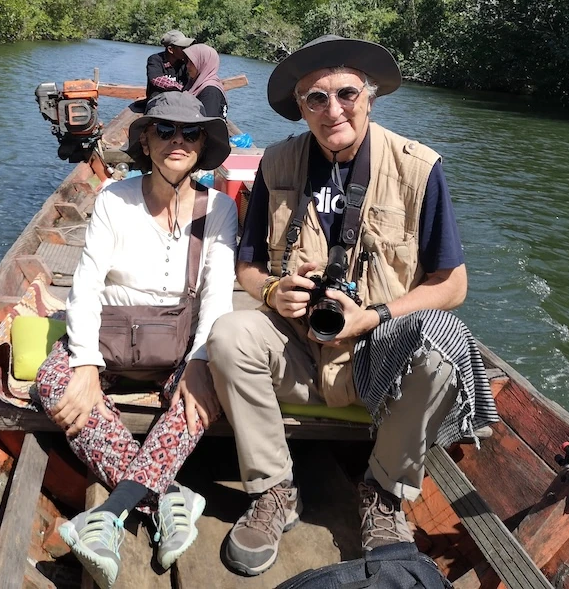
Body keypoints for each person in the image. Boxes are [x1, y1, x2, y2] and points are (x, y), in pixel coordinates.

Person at [206, 35, 499, 577]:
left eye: (345, 93)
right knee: (228, 334)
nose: (332, 109)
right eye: (315, 98)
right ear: (301, 107)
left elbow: (452, 284)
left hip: (377, 360)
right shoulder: (276, 163)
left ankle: (384, 493)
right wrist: (273, 292)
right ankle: (273, 489)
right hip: (296, 349)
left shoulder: (419, 168)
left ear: (369, 95)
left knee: (442, 344)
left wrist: (377, 316)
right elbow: (245, 266)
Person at [36, 92, 237, 589]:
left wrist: (199, 360)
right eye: (164, 130)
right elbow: (85, 284)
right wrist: (83, 366)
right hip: (107, 340)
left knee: (201, 393)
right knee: (54, 382)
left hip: (176, 342)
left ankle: (111, 513)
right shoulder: (113, 199)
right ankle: (169, 497)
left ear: (202, 144)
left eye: (190, 133)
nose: (177, 140)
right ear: (145, 141)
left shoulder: (221, 209)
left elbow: (217, 297)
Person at [182, 43, 229, 120]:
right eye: (187, 61)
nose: (187, 66)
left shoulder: (210, 92)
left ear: (203, 63)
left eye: (192, 62)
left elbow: (207, 124)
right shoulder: (193, 84)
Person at [146, 29, 194, 100]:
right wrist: (181, 88)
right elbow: (156, 79)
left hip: (178, 101)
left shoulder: (184, 63)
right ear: (170, 49)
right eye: (183, 47)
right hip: (157, 101)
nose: (186, 50)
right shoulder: (155, 59)